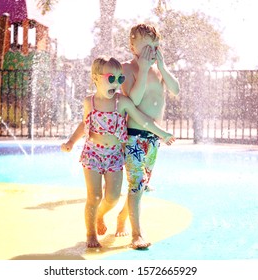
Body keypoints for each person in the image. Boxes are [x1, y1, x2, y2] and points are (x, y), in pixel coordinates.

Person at [61, 56, 175, 248]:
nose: (117, 83)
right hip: (93, 154)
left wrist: (161, 133)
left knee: (112, 197)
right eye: (111, 78)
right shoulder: (89, 102)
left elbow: (142, 119)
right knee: (94, 196)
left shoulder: (121, 102)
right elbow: (84, 123)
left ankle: (99, 214)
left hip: (114, 155)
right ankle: (91, 233)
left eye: (120, 79)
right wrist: (71, 141)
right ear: (96, 78)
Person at [115, 23, 180, 249]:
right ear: (132, 47)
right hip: (134, 136)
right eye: (145, 48)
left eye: (155, 47)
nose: (151, 53)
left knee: (140, 186)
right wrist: (142, 70)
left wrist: (162, 67)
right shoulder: (128, 68)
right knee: (136, 184)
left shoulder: (159, 70)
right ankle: (137, 234)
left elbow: (176, 90)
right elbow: (132, 100)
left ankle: (123, 216)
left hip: (153, 139)